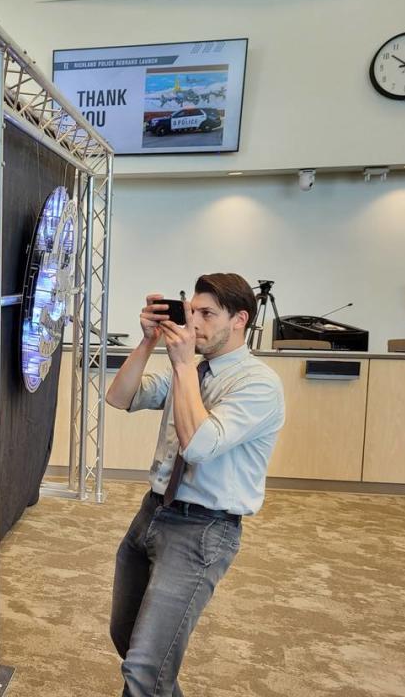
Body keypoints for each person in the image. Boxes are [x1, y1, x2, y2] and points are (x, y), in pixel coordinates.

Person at [104, 273, 285, 697]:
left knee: (144, 669)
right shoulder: (190, 369)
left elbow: (201, 445)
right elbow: (120, 396)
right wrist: (148, 342)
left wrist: (183, 364)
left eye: (207, 314)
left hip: (202, 530)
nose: (195, 323)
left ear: (239, 319)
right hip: (152, 513)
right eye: (192, 312)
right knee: (129, 641)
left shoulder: (258, 384)